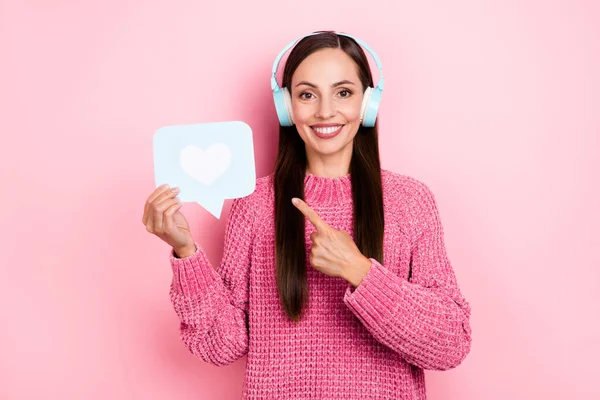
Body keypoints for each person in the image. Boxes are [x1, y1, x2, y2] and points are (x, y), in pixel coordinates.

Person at [142, 30, 472, 399]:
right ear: (287, 108)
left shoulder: (410, 201)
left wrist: (360, 271)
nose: (325, 111)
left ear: (368, 103)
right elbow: (222, 345)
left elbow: (451, 343)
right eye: (307, 94)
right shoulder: (254, 205)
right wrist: (186, 252)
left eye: (343, 92)